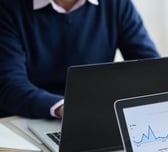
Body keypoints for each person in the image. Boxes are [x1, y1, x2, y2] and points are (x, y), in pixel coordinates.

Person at [0, 0, 159, 118]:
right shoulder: (8, 7)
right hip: (24, 118)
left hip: (94, 116)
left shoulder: (116, 4)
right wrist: (65, 108)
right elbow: (9, 84)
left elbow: (150, 69)